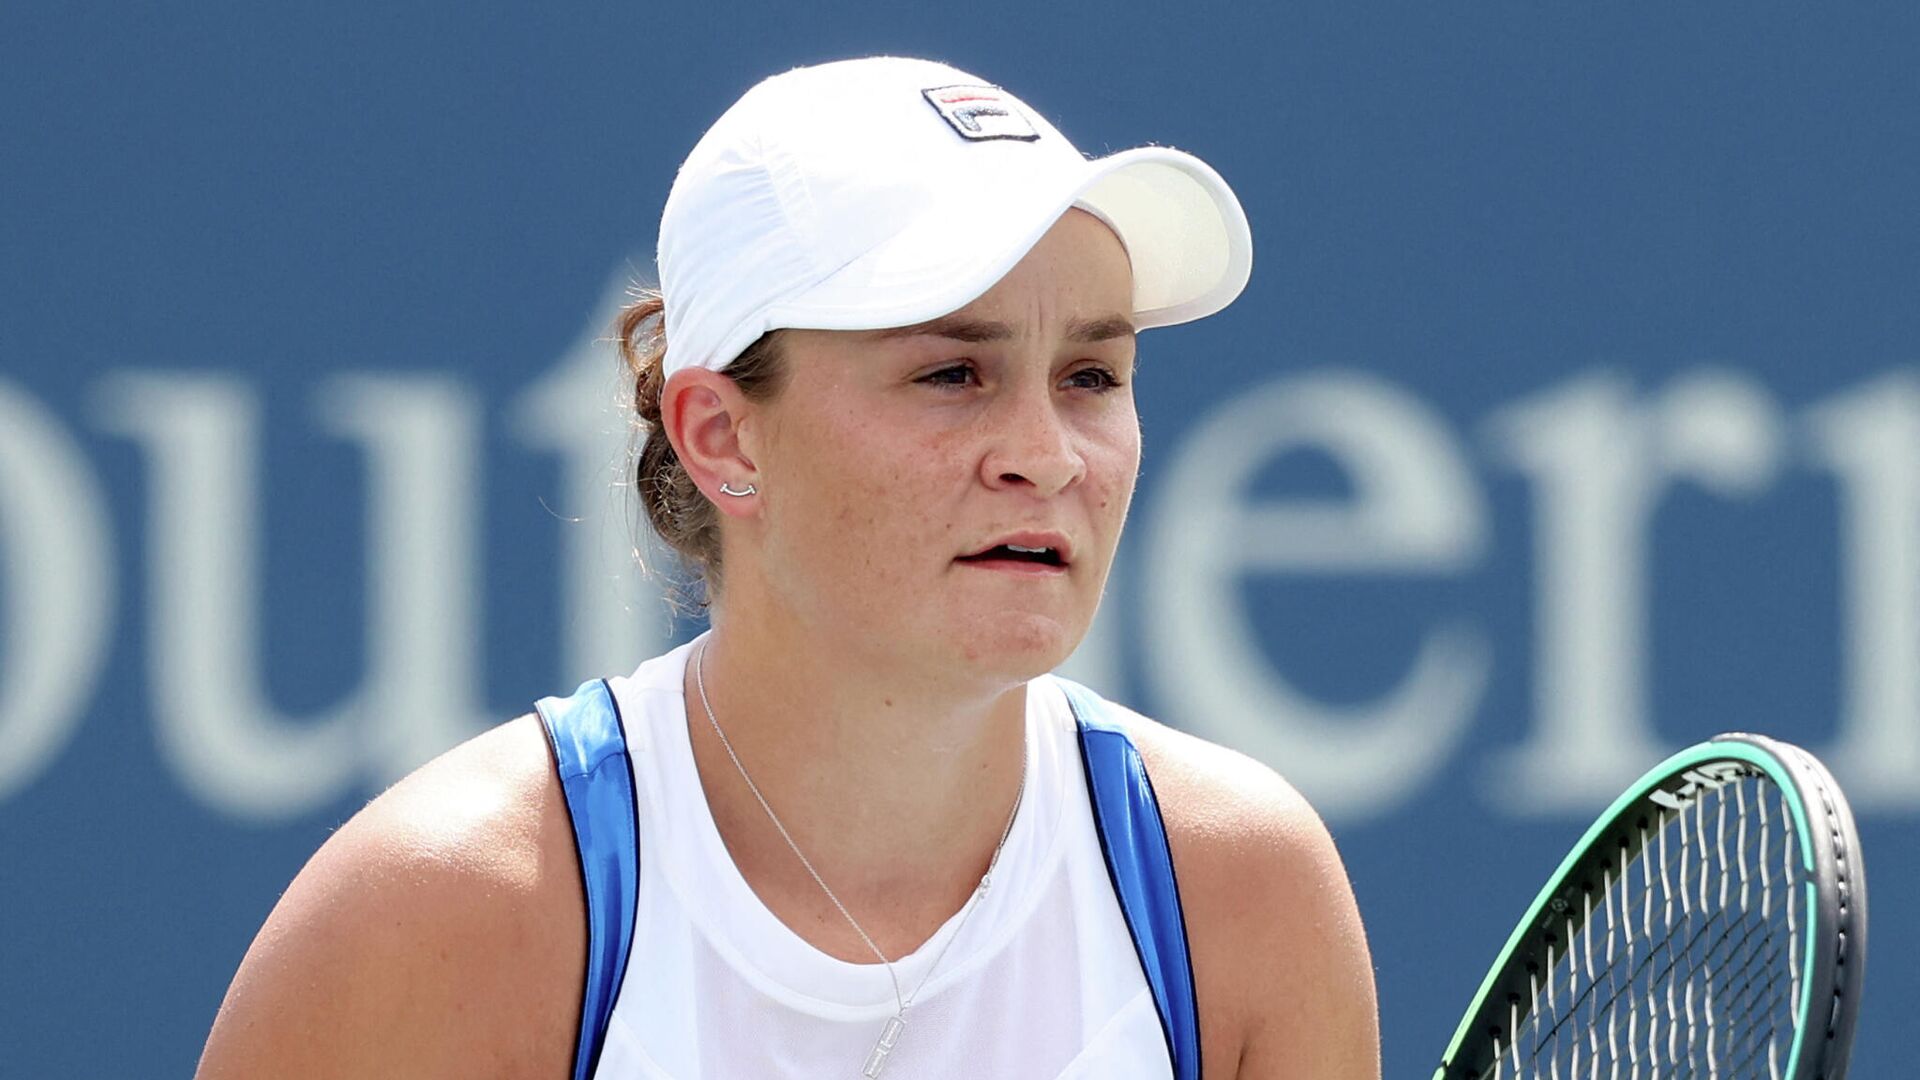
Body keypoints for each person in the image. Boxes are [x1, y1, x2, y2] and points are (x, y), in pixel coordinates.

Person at [195, 56, 1379, 1079]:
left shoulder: (1243, 898)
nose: (1046, 456)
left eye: (1092, 377)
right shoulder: (447, 916)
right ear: (721, 434)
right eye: (952, 375)